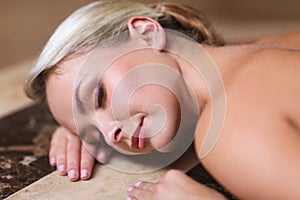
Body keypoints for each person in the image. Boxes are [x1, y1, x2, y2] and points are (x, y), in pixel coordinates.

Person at [24, 0, 300, 199]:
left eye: (99, 95)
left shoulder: (227, 132)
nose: (111, 135)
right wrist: (77, 122)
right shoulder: (272, 49)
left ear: (146, 33)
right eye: (94, 135)